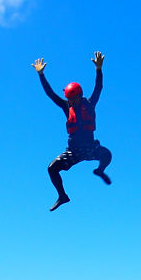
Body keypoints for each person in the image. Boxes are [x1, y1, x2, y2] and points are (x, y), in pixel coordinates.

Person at [32, 51, 113, 211]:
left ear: (80, 95)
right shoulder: (66, 106)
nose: (71, 101)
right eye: (69, 99)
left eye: (74, 98)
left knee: (107, 155)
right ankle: (62, 196)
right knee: (52, 168)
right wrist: (41, 74)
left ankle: (100, 170)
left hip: (90, 147)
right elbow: (50, 94)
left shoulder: (89, 104)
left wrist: (98, 69)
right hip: (74, 151)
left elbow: (99, 87)